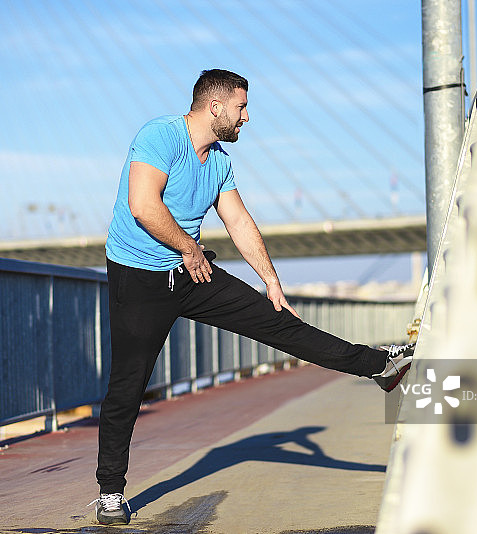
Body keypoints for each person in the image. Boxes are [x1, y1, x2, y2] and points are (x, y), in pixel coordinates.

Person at [92, 69, 414, 525]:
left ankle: (380, 366)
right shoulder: (159, 136)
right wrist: (188, 248)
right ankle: (110, 491)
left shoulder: (219, 161)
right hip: (139, 278)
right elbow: (144, 206)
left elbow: (239, 221)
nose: (247, 117)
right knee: (128, 383)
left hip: (192, 271)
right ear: (216, 107)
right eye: (242, 107)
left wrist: (271, 281)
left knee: (282, 323)